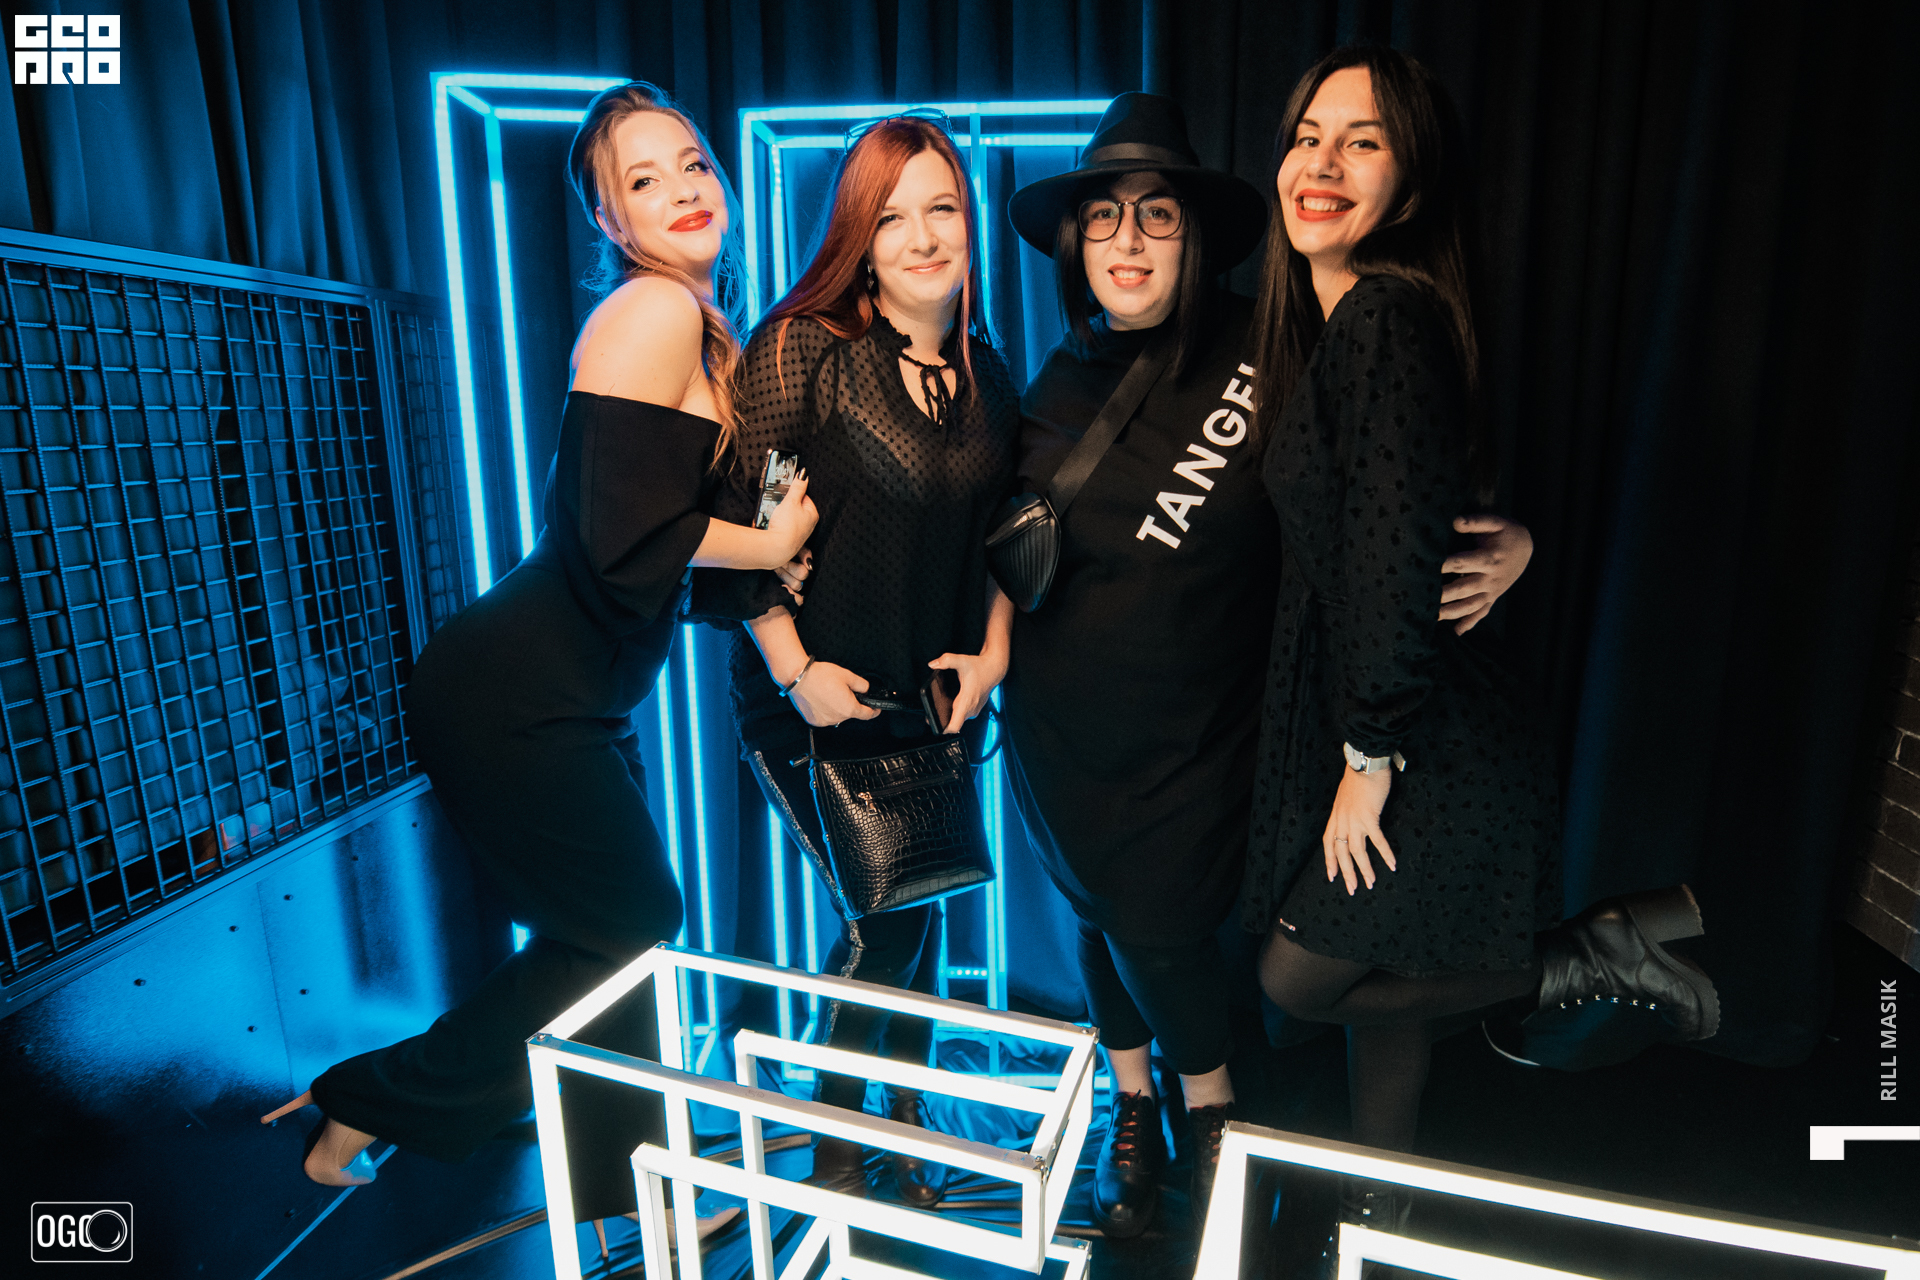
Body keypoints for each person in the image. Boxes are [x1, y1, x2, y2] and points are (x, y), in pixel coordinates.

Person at [260, 83, 817, 1234]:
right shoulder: (652, 311)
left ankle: (629, 1195)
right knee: (630, 921)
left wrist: (773, 569)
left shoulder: (704, 327)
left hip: (573, 691)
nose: (684, 191)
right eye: (644, 181)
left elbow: (665, 551)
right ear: (610, 220)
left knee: (609, 942)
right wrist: (768, 541)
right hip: (514, 690)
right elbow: (615, 539)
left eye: (692, 164)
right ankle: (367, 1095)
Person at [1000, 93, 1536, 1238]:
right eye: (1103, 217)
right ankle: (1133, 1104)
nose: (1129, 240)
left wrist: (1513, 538)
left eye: (1156, 214)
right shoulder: (1042, 390)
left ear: (1196, 235)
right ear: (1073, 242)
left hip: (1207, 737)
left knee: (1165, 929)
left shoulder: (1274, 343)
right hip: (1059, 740)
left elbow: (1391, 475)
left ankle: (1211, 1111)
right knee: (1097, 913)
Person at [1244, 46, 1717, 1241]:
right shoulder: (1348, 326)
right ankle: (1384, 1203)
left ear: (1410, 184)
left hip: (1426, 738)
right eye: (1308, 136)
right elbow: (1415, 523)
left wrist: (1368, 756)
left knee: (1299, 975)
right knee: (1388, 985)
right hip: (1410, 716)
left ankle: (1586, 952)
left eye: (1363, 142)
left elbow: (1390, 561)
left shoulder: (1383, 315)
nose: (1322, 162)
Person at [691, 114, 1017, 1207]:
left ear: (968, 221)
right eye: (891, 217)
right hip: (813, 696)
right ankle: (837, 1142)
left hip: (934, 702)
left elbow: (1011, 534)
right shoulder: (807, 350)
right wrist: (794, 672)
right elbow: (740, 527)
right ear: (858, 239)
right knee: (887, 922)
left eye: (942, 209)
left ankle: (903, 1120)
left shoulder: (986, 372)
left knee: (923, 908)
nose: (923, 237)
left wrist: (992, 655)